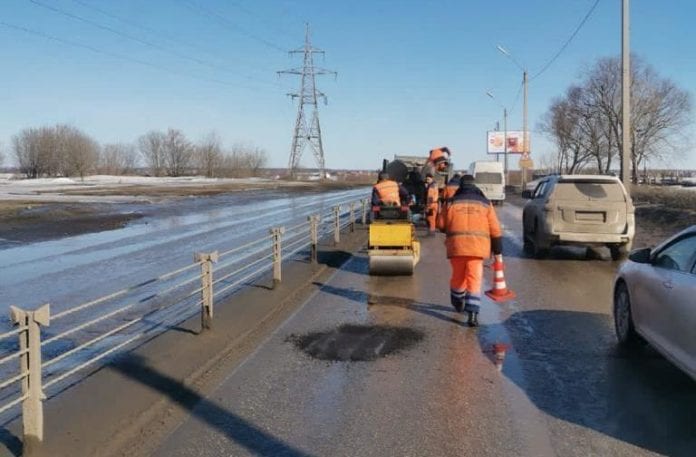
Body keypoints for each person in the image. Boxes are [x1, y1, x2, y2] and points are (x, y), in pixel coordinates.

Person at [438, 174, 502, 327]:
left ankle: (457, 300)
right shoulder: (486, 203)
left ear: (461, 185)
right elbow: (495, 229)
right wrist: (497, 250)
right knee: (474, 279)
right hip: (477, 248)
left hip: (456, 247)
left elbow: (441, 224)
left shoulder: (451, 202)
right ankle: (472, 314)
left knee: (458, 276)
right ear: (475, 185)